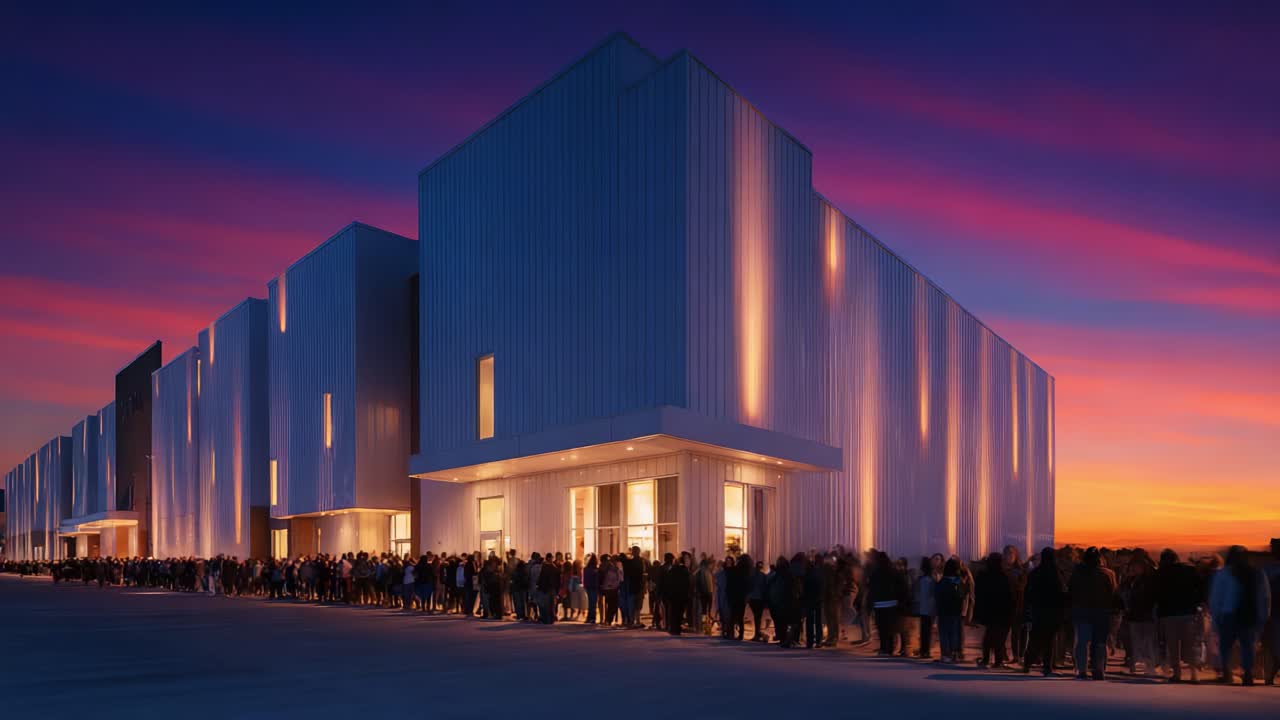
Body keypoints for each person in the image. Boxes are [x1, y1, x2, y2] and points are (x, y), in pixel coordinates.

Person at [1209, 545, 1271, 685]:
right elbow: (1264, 596)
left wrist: (1216, 616)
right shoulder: (1256, 573)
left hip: (1228, 614)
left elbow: (1216, 597)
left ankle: (1227, 672)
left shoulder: (1223, 573)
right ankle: (1247, 673)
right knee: (1247, 645)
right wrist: (1263, 614)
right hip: (1249, 614)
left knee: (1226, 646)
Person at [1153, 548, 1202, 682]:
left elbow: (1156, 594)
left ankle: (1177, 673)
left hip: (1168, 613)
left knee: (1173, 645)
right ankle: (1193, 673)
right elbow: (1199, 588)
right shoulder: (1190, 570)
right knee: (1190, 644)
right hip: (1188, 612)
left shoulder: (1160, 573)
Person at [1069, 547, 1117, 680]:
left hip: (1082, 611)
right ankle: (1099, 669)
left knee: (1082, 642)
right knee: (1100, 642)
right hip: (1101, 612)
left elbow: (1071, 591)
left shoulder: (1077, 573)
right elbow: (1113, 593)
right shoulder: (1108, 574)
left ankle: (1081, 669)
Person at [1024, 547, 1066, 676]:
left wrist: (1029, 607)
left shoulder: (1035, 573)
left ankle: (1027, 663)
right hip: (1053, 611)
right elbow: (1062, 592)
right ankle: (1047, 667)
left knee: (1035, 638)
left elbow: (1028, 592)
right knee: (1049, 640)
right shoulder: (1057, 573)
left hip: (1038, 610)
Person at [974, 552, 1014, 668]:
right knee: (999, 638)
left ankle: (986, 659)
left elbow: (979, 594)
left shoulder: (983, 576)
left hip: (988, 611)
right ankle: (998, 660)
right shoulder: (1005, 576)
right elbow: (1010, 596)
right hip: (1002, 612)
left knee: (989, 635)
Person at [935, 558, 965, 662]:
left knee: (944, 633)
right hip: (956, 611)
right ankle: (954, 653)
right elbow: (962, 596)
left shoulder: (942, 581)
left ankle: (946, 654)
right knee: (954, 632)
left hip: (943, 611)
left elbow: (937, 595)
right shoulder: (959, 581)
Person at [914, 556, 938, 658]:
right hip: (930, 608)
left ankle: (923, 650)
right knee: (928, 631)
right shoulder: (932, 579)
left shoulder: (920, 579)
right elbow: (934, 594)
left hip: (922, 608)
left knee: (923, 630)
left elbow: (916, 594)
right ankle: (926, 650)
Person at [665, 553, 691, 636]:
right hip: (682, 595)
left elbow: (668, 583)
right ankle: (677, 628)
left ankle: (673, 629)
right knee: (680, 612)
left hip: (673, 595)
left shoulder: (672, 570)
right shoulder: (685, 571)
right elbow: (687, 584)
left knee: (673, 612)